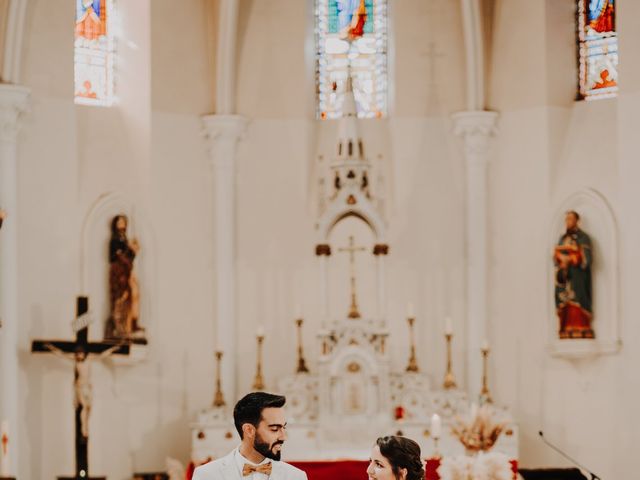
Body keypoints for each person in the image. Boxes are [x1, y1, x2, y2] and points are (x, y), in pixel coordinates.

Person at [193, 392, 307, 480]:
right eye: (275, 429)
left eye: (284, 427)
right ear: (249, 430)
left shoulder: (296, 477)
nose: (283, 437)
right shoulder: (207, 475)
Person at [553, 210, 594, 339]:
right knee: (564, 301)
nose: (568, 222)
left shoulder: (583, 237)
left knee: (577, 300)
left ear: (576, 221)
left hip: (577, 277)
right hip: (564, 276)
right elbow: (555, 257)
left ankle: (582, 328)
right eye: (566, 219)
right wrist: (560, 259)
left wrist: (572, 258)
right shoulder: (562, 238)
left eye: (570, 219)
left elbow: (587, 259)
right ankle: (565, 328)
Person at [106, 214, 142, 339]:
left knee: (130, 296)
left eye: (123, 222)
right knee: (120, 298)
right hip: (118, 272)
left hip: (126, 271)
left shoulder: (124, 238)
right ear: (115, 224)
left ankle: (129, 325)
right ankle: (118, 328)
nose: (122, 224)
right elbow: (119, 257)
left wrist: (134, 250)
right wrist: (130, 250)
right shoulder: (115, 239)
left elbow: (129, 258)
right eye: (119, 222)